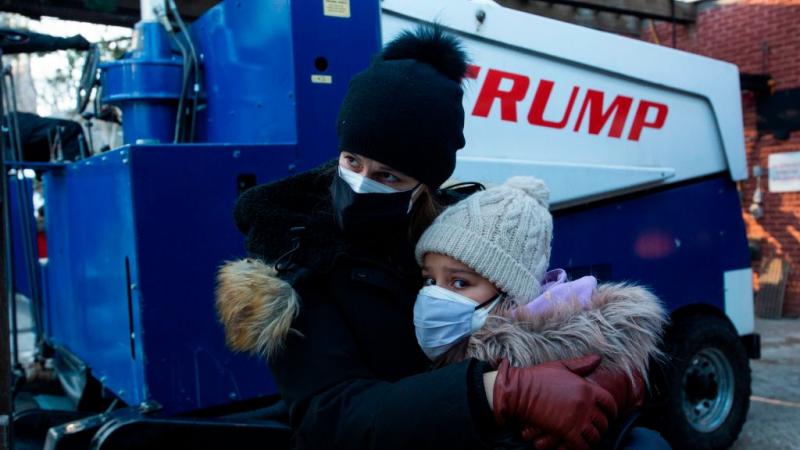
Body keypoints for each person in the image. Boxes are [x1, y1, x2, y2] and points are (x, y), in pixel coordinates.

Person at [215, 25, 636, 449]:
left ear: (427, 185)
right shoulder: (293, 253)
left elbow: (547, 307)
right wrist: (498, 393)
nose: (361, 184)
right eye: (352, 161)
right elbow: (330, 415)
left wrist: (599, 380)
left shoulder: (460, 225)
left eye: (388, 176)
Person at [413, 176, 672, 449]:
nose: (435, 296)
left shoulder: (543, 372)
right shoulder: (451, 353)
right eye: (430, 280)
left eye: (459, 282)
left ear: (511, 293)